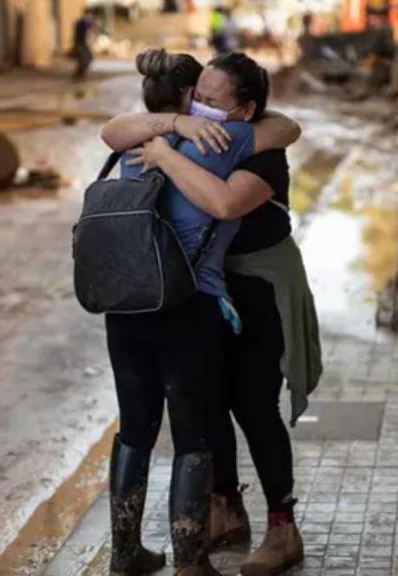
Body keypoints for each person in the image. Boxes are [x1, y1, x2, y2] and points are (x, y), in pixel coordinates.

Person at [112, 52, 322, 576]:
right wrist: (174, 129)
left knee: (254, 406)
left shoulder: (256, 149)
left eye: (213, 101)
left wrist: (165, 152)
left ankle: (283, 530)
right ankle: (223, 509)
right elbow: (114, 130)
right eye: (196, 97)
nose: (200, 107)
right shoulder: (183, 132)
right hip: (202, 294)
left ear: (245, 108)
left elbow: (230, 200)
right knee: (205, 408)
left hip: (257, 289)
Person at [72, 13, 94, 80]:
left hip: (82, 44)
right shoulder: (81, 23)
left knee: (87, 59)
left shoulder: (82, 23)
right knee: (84, 60)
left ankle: (79, 74)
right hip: (80, 44)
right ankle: (78, 75)